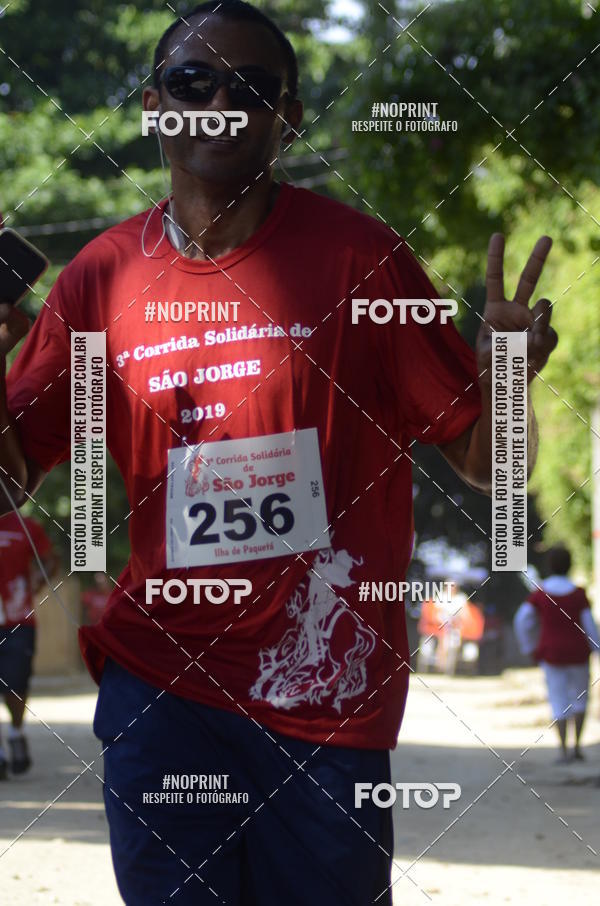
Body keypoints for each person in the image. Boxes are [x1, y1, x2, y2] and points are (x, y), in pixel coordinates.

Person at [0, 2, 558, 903]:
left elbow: (492, 470)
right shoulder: (99, 278)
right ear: (154, 106)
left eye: (252, 86)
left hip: (326, 706)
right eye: (193, 81)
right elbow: (11, 475)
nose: (221, 101)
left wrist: (505, 380)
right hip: (162, 690)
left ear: (288, 117)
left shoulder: (361, 262)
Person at [514, 545, 600, 762]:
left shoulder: (540, 594)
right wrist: (597, 649)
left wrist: (529, 647)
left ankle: (563, 751)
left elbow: (522, 621)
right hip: (579, 654)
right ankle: (577, 748)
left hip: (551, 654)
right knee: (580, 699)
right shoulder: (579, 593)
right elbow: (590, 626)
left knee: (558, 699)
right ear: (570, 565)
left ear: (548, 566)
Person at [0, 511, 55, 778]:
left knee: (15, 684)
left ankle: (16, 732)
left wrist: (38, 581)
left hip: (17, 620)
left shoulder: (25, 526)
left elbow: (49, 560)